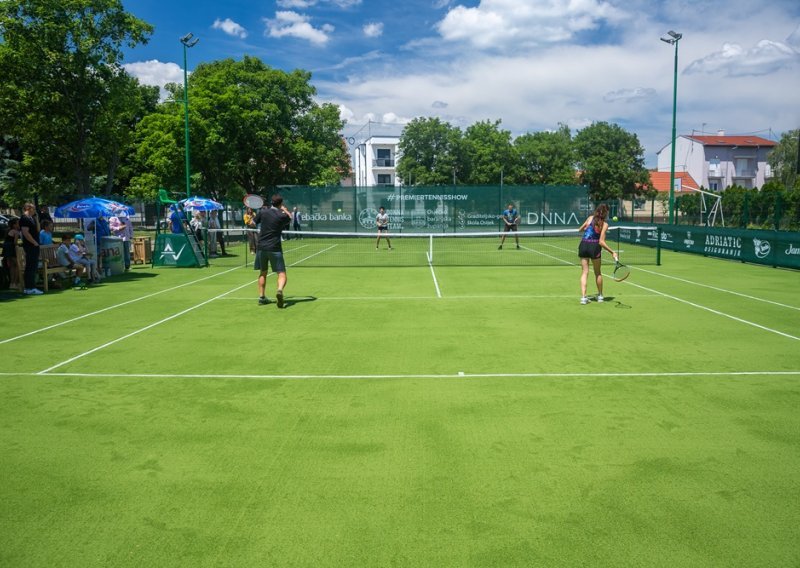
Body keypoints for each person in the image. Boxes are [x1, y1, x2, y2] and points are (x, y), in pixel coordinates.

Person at [248, 194, 291, 308]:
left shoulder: (262, 212)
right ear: (280, 203)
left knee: (263, 272)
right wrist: (285, 210)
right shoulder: (281, 215)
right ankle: (280, 290)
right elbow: (290, 217)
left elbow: (252, 224)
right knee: (281, 273)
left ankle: (262, 297)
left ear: (272, 202)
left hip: (261, 247)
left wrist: (250, 219)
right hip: (275, 248)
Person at [577, 203, 618, 305]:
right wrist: (612, 252)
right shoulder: (604, 224)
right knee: (598, 273)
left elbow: (580, 230)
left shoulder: (590, 218)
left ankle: (583, 298)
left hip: (583, 245)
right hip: (594, 247)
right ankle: (600, 296)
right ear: (606, 213)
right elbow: (601, 242)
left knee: (584, 272)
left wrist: (586, 227)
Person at [19, 202, 42, 295]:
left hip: (34, 246)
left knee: (33, 266)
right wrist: (34, 242)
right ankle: (29, 287)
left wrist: (36, 220)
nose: (35, 210)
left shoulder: (31, 218)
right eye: (33, 208)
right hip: (30, 246)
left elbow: (38, 230)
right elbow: (25, 232)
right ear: (28, 208)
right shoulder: (24, 218)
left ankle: (31, 287)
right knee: (30, 267)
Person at [2, 217, 21, 291]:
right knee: (17, 265)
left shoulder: (8, 231)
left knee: (12, 266)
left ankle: (12, 283)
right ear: (14, 225)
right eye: (18, 223)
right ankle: (15, 283)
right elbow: (15, 242)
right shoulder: (16, 231)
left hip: (6, 249)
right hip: (11, 249)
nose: (19, 224)